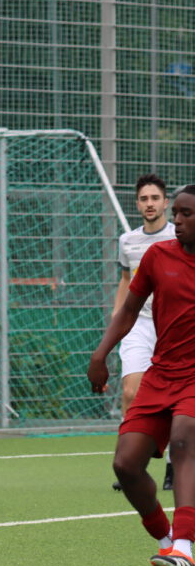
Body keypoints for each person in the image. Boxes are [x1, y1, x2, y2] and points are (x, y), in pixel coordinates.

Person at [88, 186, 195, 566]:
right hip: (161, 373)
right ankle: (167, 544)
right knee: (126, 464)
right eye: (176, 212)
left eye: (186, 214)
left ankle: (184, 546)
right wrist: (100, 355)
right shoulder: (157, 256)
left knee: (183, 442)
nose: (177, 221)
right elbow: (129, 309)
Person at [110, 174, 175, 492]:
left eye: (155, 198)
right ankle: (131, 465)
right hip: (139, 323)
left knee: (176, 397)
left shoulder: (179, 236)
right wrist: (117, 317)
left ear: (165, 203)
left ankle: (175, 465)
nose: (149, 204)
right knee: (130, 392)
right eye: (144, 199)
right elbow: (126, 281)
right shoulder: (128, 241)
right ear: (137, 204)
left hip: (174, 325)